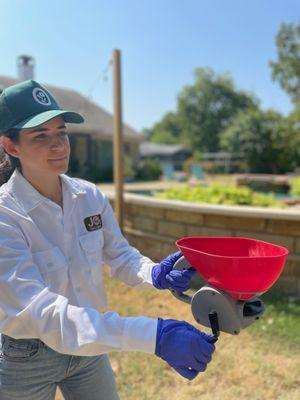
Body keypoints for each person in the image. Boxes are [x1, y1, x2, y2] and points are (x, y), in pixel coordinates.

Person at [0, 80, 215, 400]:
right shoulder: (6, 214)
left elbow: (119, 254)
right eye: (40, 136)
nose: (58, 145)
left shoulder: (88, 195)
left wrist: (153, 273)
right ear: (11, 146)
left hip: (90, 348)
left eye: (61, 132)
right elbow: (41, 313)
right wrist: (153, 335)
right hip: (27, 357)